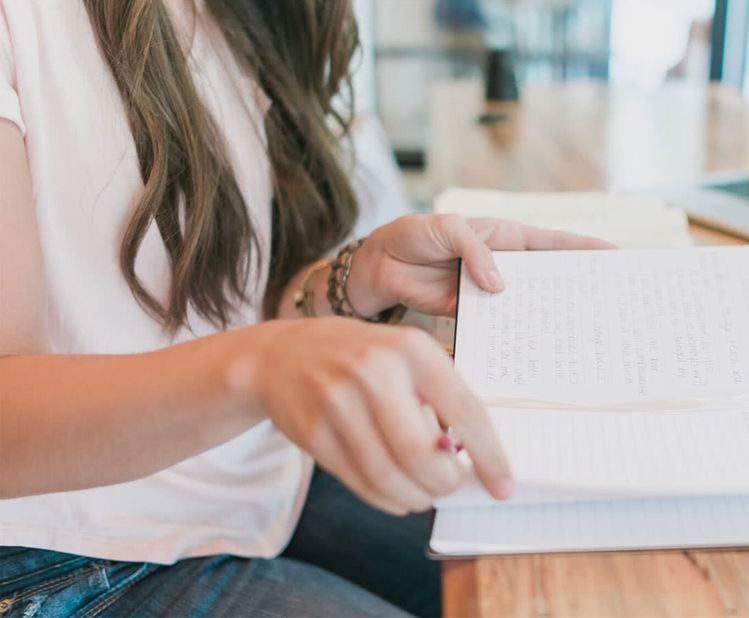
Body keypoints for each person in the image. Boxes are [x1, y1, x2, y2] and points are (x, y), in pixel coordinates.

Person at [0, 1, 609, 615]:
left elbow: (204, 320)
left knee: (567, 576)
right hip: (56, 555)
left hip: (248, 480)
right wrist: (262, 366)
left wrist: (347, 283)